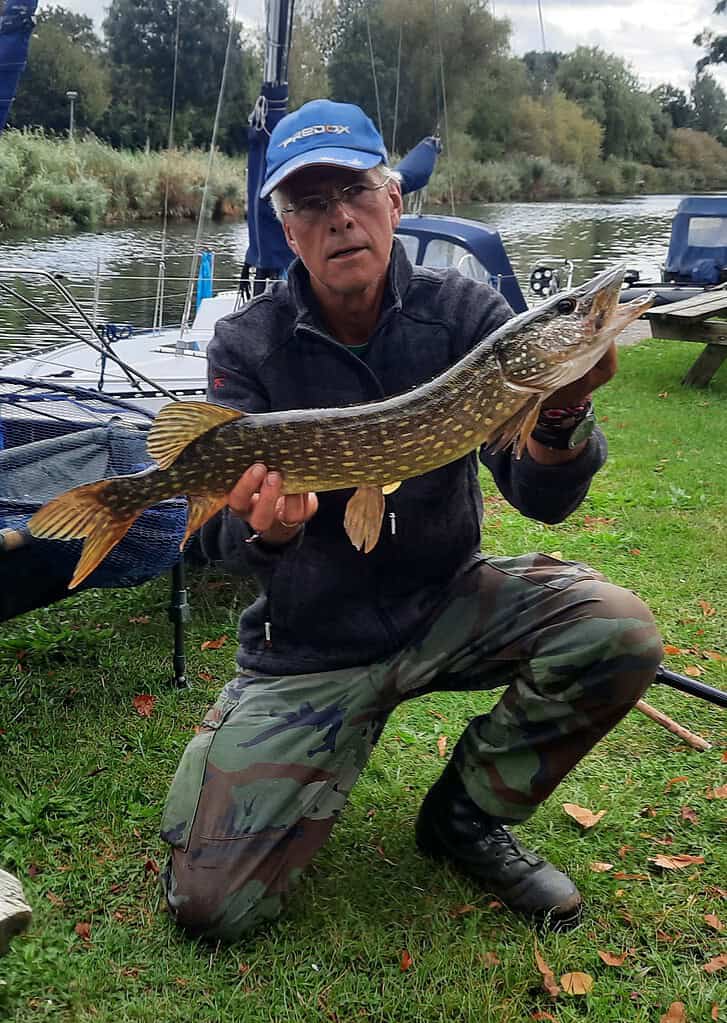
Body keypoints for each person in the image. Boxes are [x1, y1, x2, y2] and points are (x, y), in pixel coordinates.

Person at [160, 100, 663, 940]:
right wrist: (269, 531)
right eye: (311, 205)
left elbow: (544, 497)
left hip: (444, 603)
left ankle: (462, 817)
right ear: (288, 232)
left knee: (615, 629)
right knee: (213, 909)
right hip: (311, 639)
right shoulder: (246, 344)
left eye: (354, 190)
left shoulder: (468, 318)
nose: (339, 219)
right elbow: (213, 539)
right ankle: (267, 753)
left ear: (393, 200)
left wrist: (558, 412)